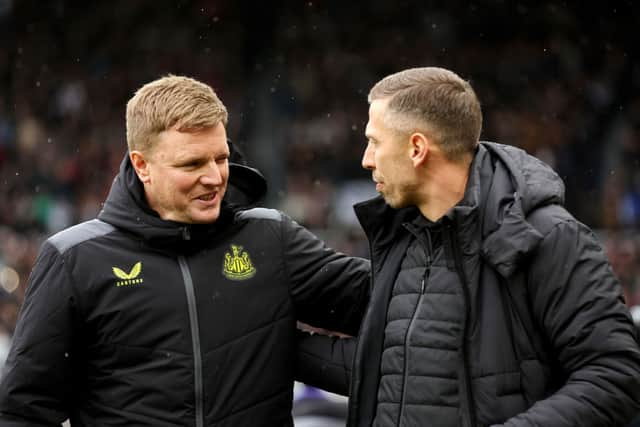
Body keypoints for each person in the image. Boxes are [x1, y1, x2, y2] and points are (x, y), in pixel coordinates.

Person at [0, 75, 370, 426]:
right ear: (142, 165)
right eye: (192, 163)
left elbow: (387, 302)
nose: (214, 177)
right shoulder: (75, 259)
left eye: (221, 158)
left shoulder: (270, 239)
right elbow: (25, 410)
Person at [342, 67, 640, 426]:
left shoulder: (551, 237)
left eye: (374, 141)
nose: (366, 159)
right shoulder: (404, 238)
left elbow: (615, 375)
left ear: (417, 148)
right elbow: (386, 368)